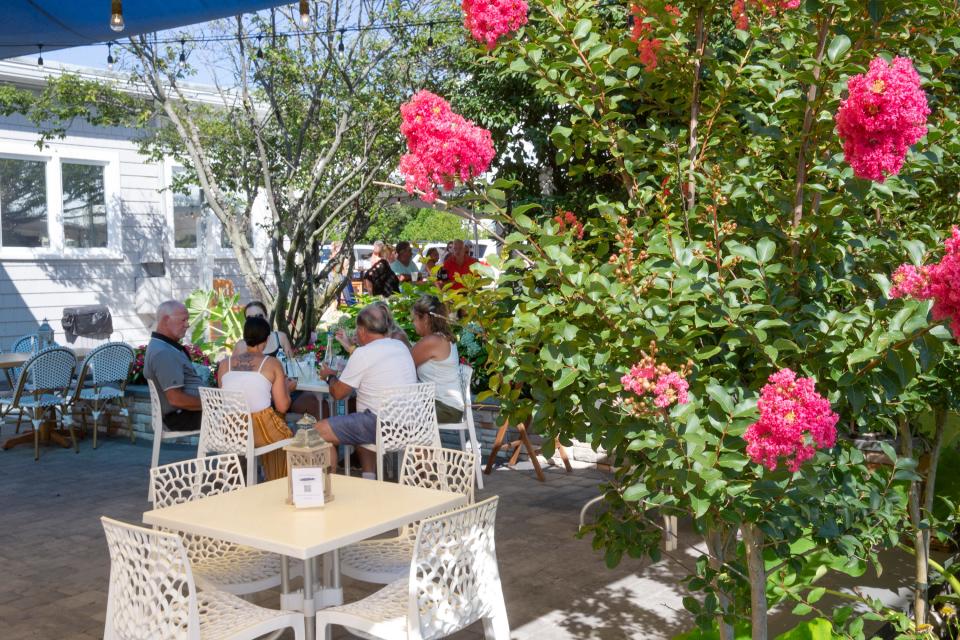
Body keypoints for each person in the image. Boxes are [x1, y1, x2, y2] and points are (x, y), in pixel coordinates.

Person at [314, 303, 417, 479]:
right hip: (410, 423)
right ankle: (369, 478)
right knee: (359, 414)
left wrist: (329, 376)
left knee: (318, 431)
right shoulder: (400, 346)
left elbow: (338, 394)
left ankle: (325, 488)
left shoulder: (363, 353)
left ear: (362, 330)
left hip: (382, 425)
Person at [218, 316, 296, 481]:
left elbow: (226, 397)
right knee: (286, 435)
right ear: (267, 340)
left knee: (273, 424)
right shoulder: (272, 363)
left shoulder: (225, 364)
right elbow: (282, 407)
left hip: (230, 430)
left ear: (245, 338)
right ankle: (278, 484)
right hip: (258, 430)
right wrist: (287, 390)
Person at [234, 301, 320, 418]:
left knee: (314, 402)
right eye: (250, 318)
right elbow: (235, 380)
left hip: (285, 390)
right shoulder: (240, 346)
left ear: (267, 316)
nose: (256, 321)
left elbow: (293, 367)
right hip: (260, 396)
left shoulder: (281, 337)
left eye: (259, 316)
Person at [143, 300, 203, 431]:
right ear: (166, 320)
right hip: (181, 417)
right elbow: (176, 399)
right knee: (241, 415)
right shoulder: (163, 352)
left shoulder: (163, 346)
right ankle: (247, 451)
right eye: (183, 320)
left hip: (187, 413)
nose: (187, 325)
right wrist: (212, 404)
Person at [409, 295, 464, 424]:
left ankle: (416, 444)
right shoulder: (442, 337)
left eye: (415, 319)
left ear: (426, 319)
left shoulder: (432, 341)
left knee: (393, 410)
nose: (413, 323)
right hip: (445, 405)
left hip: (445, 408)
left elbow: (404, 365)